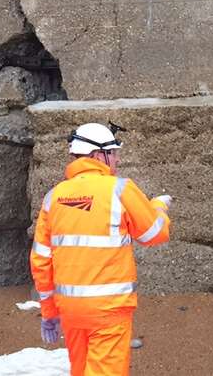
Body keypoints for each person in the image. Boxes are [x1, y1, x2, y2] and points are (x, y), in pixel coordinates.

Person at [29, 122, 172, 376]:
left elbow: (41, 260)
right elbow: (155, 234)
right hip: (109, 311)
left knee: (81, 370)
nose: (117, 159)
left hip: (71, 311)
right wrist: (158, 207)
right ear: (98, 155)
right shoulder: (119, 189)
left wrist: (49, 312)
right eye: (114, 153)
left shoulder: (54, 197)